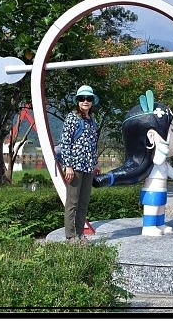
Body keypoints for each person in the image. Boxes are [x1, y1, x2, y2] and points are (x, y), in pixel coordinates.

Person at [93, 90, 173, 236]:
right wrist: (161, 147)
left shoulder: (161, 162)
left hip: (161, 190)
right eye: (171, 130)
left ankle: (160, 223)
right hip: (151, 190)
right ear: (151, 136)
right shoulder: (154, 160)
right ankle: (149, 226)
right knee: (152, 206)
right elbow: (158, 159)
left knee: (160, 206)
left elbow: (170, 171)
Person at [59, 85, 100, 245]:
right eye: (82, 98)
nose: (85, 101)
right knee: (72, 202)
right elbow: (65, 143)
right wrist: (67, 165)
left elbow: (92, 144)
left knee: (83, 202)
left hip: (88, 167)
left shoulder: (92, 120)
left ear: (92, 101)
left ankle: (80, 234)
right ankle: (71, 236)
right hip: (75, 167)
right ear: (77, 101)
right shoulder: (72, 118)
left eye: (88, 98)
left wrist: (95, 163)